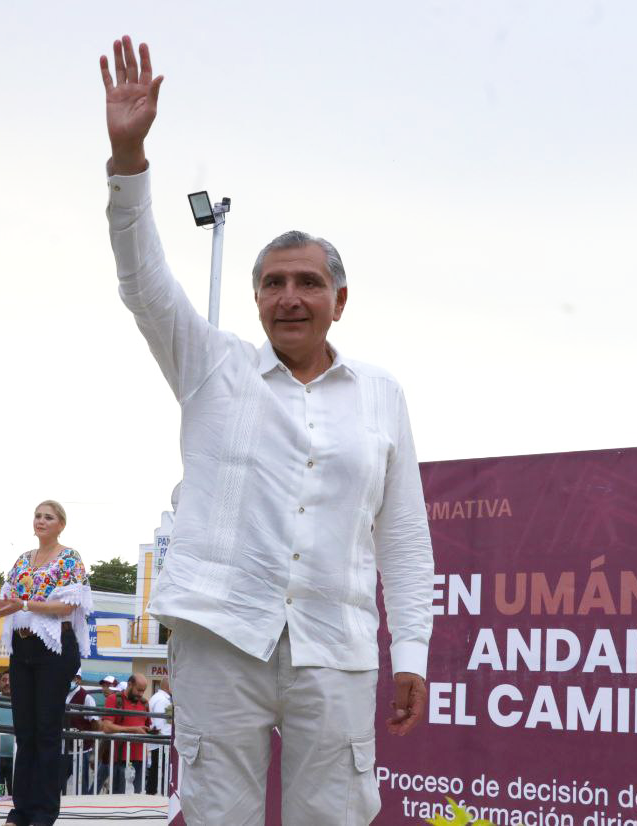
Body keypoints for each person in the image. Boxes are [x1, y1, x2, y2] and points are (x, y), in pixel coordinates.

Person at [100, 35, 434, 825]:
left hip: (337, 647)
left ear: (339, 301)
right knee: (217, 814)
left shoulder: (381, 395)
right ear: (255, 301)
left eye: (308, 283)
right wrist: (128, 160)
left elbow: (406, 536)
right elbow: (144, 283)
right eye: (274, 284)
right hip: (221, 638)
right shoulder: (212, 368)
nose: (291, 297)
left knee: (338, 815)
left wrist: (412, 651)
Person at [0, 500, 93, 826]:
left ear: (61, 524)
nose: (41, 521)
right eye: (38, 515)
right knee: (26, 733)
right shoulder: (22, 560)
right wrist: (5, 607)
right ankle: (20, 810)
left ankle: (44, 813)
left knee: (47, 732)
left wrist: (23, 603)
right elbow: (13, 601)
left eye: (48, 517)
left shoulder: (69, 558)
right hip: (23, 649)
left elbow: (66, 608)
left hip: (55, 649)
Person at [97, 674, 149, 795]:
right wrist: (133, 730)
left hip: (140, 759)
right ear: (130, 685)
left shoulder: (145, 704)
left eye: (143, 691)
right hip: (119, 758)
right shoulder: (113, 699)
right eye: (139, 690)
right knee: (118, 798)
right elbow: (107, 727)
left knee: (137, 798)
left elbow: (145, 727)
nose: (141, 694)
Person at [60, 672, 97, 795]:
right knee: (56, 786)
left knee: (81, 788)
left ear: (78, 679)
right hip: (61, 750)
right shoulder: (59, 693)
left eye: (70, 677)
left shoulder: (86, 698)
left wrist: (92, 749)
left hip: (81, 751)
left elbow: (95, 724)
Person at [143, 677, 171, 795]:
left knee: (156, 772)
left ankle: (153, 795)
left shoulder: (159, 698)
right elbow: (159, 724)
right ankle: (155, 797)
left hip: (158, 744)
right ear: (168, 686)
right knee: (158, 773)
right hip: (161, 744)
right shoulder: (162, 700)